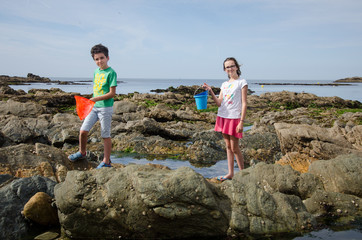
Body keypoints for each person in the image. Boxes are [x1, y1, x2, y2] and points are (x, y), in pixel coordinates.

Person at [68, 44, 117, 169]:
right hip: (93, 107)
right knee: (83, 131)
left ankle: (106, 161)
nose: (99, 61)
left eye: (102, 58)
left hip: (105, 108)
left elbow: (112, 93)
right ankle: (82, 152)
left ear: (107, 58)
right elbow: (96, 90)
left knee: (105, 135)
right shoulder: (96, 72)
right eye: (96, 59)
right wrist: (88, 102)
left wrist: (95, 99)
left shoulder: (111, 73)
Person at [203, 57, 248, 181]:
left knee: (235, 148)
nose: (230, 69)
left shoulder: (242, 82)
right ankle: (230, 173)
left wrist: (241, 122)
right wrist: (211, 91)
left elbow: (244, 103)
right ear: (225, 69)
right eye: (227, 67)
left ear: (237, 67)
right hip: (223, 116)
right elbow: (219, 103)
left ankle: (243, 173)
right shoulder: (224, 84)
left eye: (232, 66)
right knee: (228, 146)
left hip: (234, 118)